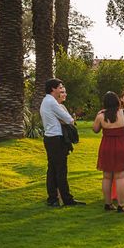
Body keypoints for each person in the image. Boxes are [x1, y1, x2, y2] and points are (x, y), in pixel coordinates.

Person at [39, 78, 85, 208]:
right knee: (60, 170)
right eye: (60, 87)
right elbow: (69, 119)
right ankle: (66, 199)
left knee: (52, 169)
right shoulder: (52, 102)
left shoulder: (46, 101)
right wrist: (70, 119)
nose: (61, 90)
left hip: (50, 138)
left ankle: (53, 198)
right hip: (56, 139)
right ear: (53, 89)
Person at [93, 92, 124, 212]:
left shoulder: (101, 116)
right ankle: (121, 205)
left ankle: (108, 203)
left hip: (106, 146)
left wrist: (98, 115)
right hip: (121, 146)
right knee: (120, 176)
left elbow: (95, 129)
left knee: (107, 176)